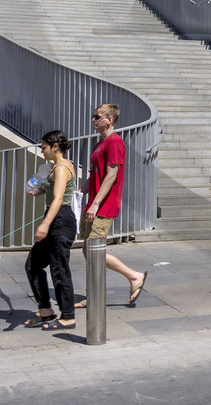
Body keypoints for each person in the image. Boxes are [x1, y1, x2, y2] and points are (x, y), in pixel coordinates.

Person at [82, 104, 149, 305]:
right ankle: (93, 296)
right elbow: (95, 174)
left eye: (97, 117)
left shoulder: (114, 143)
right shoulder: (100, 143)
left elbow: (111, 176)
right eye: (93, 117)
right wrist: (80, 192)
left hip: (103, 206)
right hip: (94, 204)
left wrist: (95, 204)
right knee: (88, 250)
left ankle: (134, 276)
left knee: (95, 251)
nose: (93, 120)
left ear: (110, 119)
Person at [24, 129, 79, 329]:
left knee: (59, 269)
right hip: (56, 217)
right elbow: (53, 191)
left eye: (44, 147)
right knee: (33, 264)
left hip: (60, 219)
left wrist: (45, 225)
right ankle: (46, 310)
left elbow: (58, 199)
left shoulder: (62, 168)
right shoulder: (54, 167)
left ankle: (68, 316)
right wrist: (39, 191)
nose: (42, 151)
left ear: (55, 147)